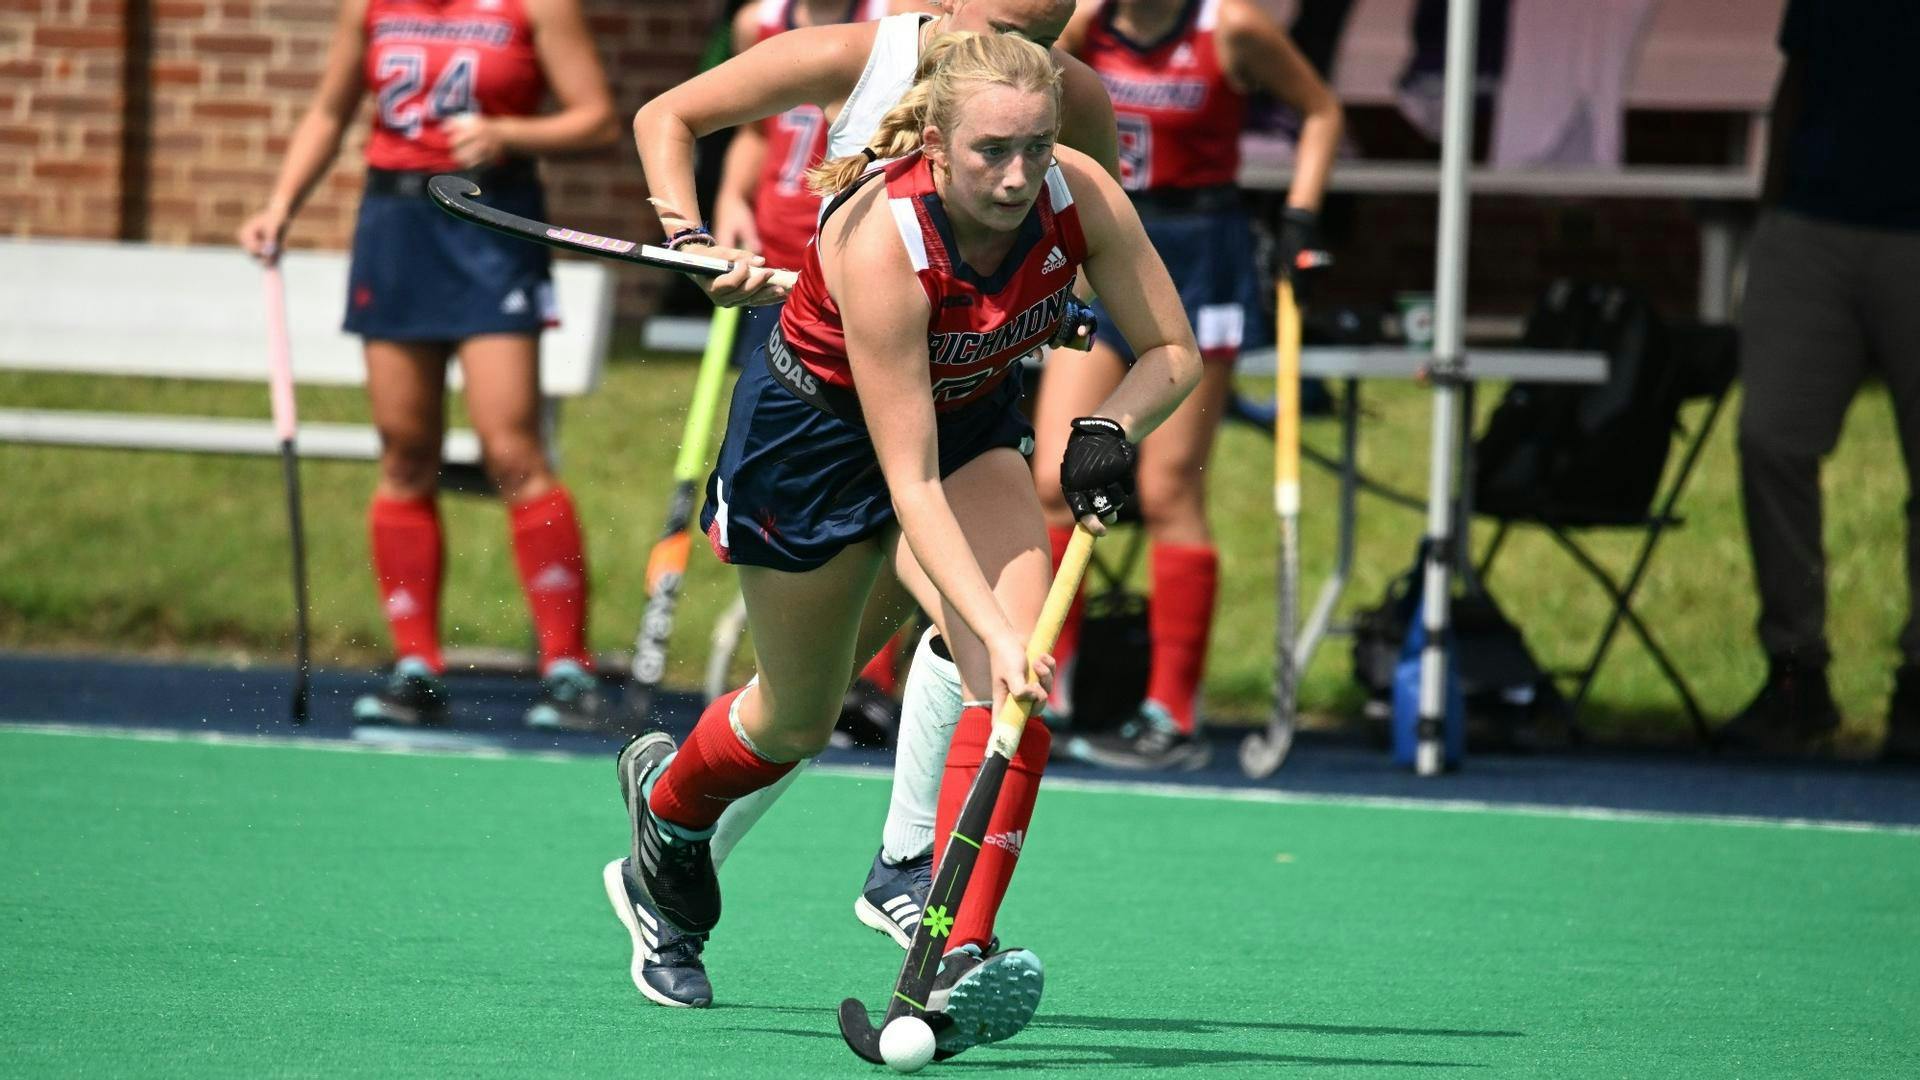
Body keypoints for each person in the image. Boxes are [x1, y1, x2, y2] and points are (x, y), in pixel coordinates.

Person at [616, 33, 1199, 1050]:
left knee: (1011, 685)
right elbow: (908, 483)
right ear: (933, 140)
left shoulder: (1080, 194)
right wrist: (989, 621)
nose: (1019, 177)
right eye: (991, 153)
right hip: (816, 449)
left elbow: (1171, 352)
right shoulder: (884, 241)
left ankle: (953, 951)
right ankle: (667, 812)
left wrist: (1108, 429)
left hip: (970, 431)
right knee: (794, 721)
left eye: (1037, 147)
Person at [237, 0, 620, 729]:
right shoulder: (371, 5)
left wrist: (508, 131)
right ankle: (417, 667)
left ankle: (568, 669)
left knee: (513, 449)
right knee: (405, 450)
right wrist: (280, 204)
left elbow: (595, 117)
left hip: (491, 220)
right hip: (396, 226)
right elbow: (328, 110)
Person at [1031, 0, 1340, 770]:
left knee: (1168, 487)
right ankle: (1046, 692)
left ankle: (1170, 714)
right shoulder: (1082, 25)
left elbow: (1321, 111)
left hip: (1202, 257)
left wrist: (1301, 213)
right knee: (1050, 478)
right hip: (1105, 242)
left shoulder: (1229, 28)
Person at [1719, 0, 1920, 764]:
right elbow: (1796, 77)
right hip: (1812, 220)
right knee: (1770, 437)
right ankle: (1796, 671)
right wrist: (1771, 215)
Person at [709, 0, 909, 733]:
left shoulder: (895, 27)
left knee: (893, 474)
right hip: (777, 277)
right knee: (808, 479)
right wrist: (729, 201)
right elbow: (761, 134)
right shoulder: (758, 21)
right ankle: (796, 679)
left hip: (869, 269)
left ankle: (863, 677)